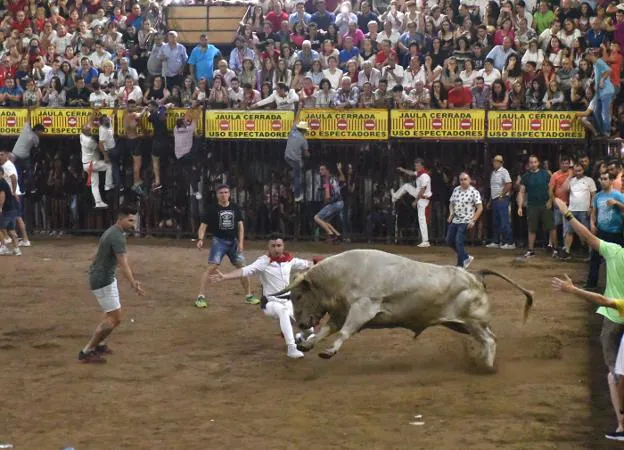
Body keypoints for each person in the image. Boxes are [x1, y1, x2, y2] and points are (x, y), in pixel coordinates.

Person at [553, 197, 624, 440]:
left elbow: (587, 237)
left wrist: (568, 215)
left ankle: (622, 425)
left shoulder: (615, 253)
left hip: (614, 319)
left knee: (613, 374)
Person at [210, 234, 318, 359]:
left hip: (289, 302)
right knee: (282, 311)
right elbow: (246, 270)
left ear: (283, 246)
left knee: (309, 330)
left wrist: (323, 263)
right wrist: (225, 276)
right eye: (273, 246)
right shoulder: (263, 262)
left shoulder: (290, 260)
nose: (276, 249)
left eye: (279, 245)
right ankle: (291, 348)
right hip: (271, 303)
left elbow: (308, 264)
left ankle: (301, 337)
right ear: (268, 247)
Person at [78, 204, 144, 363]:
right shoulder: (117, 236)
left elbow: (98, 253)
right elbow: (123, 263)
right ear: (121, 219)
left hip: (104, 278)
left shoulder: (112, 231)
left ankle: (100, 344)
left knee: (110, 314)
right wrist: (133, 283)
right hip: (103, 280)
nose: (133, 225)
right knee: (116, 317)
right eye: (130, 221)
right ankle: (87, 350)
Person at [195, 184, 259, 308]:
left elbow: (240, 226)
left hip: (233, 242)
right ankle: (200, 296)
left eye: (226, 192)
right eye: (221, 193)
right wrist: (200, 239)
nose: (224, 195)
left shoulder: (235, 208)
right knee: (212, 267)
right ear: (217, 195)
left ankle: (248, 295)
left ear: (229, 194)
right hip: (219, 241)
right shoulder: (212, 209)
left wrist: (240, 243)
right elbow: (202, 226)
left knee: (242, 267)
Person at [587, 172, 624, 290]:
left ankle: (615, 285)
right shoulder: (597, 196)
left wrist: (617, 203)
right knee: (595, 258)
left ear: (611, 180)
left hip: (615, 232)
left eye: (605, 179)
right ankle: (591, 283)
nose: (603, 181)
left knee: (614, 260)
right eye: (601, 179)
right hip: (601, 231)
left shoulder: (618, 195)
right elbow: (594, 212)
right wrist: (592, 224)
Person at [518, 154, 554, 258]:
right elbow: (521, 192)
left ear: (538, 163)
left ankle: (554, 249)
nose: (533, 164)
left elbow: (551, 189)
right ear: (528, 164)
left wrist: (550, 200)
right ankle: (531, 250)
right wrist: (520, 206)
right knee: (532, 229)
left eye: (535, 162)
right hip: (532, 205)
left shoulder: (546, 174)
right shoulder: (526, 176)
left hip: (545, 204)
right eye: (531, 162)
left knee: (551, 227)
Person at [559, 162, 597, 260]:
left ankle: (590, 254)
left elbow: (594, 195)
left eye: (579, 170)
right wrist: (569, 176)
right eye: (576, 171)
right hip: (572, 209)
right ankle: (567, 252)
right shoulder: (571, 180)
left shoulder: (589, 180)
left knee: (586, 233)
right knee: (569, 231)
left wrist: (591, 207)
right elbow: (563, 189)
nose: (578, 172)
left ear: (583, 170)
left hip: (584, 210)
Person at [391, 158, 432, 248]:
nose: (415, 167)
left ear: (421, 165)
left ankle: (425, 241)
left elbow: (422, 189)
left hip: (423, 198)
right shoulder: (420, 173)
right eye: (415, 165)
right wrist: (402, 169)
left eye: (417, 165)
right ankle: (394, 197)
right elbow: (411, 173)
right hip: (420, 196)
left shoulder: (424, 176)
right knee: (406, 186)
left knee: (422, 220)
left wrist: (415, 201)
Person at [447, 172, 483, 268]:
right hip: (455, 219)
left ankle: (461, 263)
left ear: (469, 180)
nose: (463, 181)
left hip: (466, 220)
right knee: (449, 240)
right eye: (461, 180)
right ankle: (465, 258)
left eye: (465, 179)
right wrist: (451, 213)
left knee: (458, 241)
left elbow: (480, 208)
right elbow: (451, 203)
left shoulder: (474, 192)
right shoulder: (456, 190)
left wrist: (473, 220)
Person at [0, 150, 31, 247]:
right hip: (12, 195)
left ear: (7, 156)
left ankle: (11, 238)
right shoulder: (7, 165)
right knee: (15, 217)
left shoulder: (6, 166)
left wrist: (13, 192)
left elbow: (13, 178)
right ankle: (10, 237)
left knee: (14, 217)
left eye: (2, 154)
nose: (0, 157)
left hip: (12, 195)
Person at [81, 117, 112, 209]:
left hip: (87, 164)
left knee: (94, 184)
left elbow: (88, 124)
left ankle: (98, 202)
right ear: (85, 131)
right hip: (91, 164)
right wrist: (106, 156)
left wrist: (94, 113)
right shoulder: (89, 141)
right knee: (109, 165)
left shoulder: (81, 135)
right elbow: (100, 146)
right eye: (89, 130)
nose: (90, 130)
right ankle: (108, 186)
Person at [487, 155, 514, 249]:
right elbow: (493, 188)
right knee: (496, 221)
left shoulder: (504, 171)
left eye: (497, 161)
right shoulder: (493, 173)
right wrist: (490, 201)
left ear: (501, 163)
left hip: (502, 199)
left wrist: (502, 195)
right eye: (494, 161)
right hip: (495, 199)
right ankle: (496, 241)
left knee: (504, 221)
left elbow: (509, 184)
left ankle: (509, 242)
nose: (495, 163)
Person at [314, 163, 344, 243]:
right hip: (341, 203)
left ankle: (331, 234)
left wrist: (325, 203)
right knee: (325, 220)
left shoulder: (326, 180)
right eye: (320, 170)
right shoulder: (334, 177)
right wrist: (340, 169)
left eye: (322, 169)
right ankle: (338, 235)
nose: (320, 171)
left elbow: (327, 196)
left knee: (317, 218)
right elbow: (343, 180)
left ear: (327, 170)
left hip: (334, 203)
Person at [284, 120, 310, 203]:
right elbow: (306, 154)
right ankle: (297, 196)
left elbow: (295, 119)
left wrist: (299, 108)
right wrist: (309, 154)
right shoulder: (303, 140)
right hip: (295, 160)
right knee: (298, 177)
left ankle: (294, 187)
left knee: (297, 173)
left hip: (287, 157)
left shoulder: (293, 131)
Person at [0, 165, 21, 256]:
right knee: (11, 229)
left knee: (0, 228)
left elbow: (2, 195)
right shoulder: (4, 182)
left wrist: (0, 207)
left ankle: (3, 246)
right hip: (12, 209)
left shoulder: (1, 183)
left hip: (6, 209)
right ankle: (16, 249)